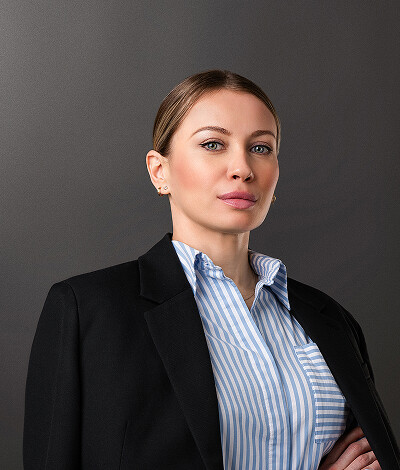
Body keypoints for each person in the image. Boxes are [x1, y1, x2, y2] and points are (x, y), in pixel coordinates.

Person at [23, 69, 399, 470]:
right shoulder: (88, 313)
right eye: (213, 144)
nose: (242, 168)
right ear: (159, 171)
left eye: (261, 148)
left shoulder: (332, 321)